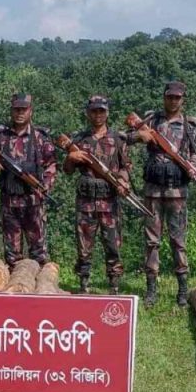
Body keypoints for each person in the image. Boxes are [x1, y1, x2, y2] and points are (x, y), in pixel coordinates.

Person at [129, 81, 196, 306]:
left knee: (178, 240)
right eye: (170, 97)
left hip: (177, 191)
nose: (173, 101)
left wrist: (193, 165)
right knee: (152, 241)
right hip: (153, 190)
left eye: (177, 98)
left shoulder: (189, 125)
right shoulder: (151, 120)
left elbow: (195, 153)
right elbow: (126, 138)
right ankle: (151, 289)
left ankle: (182, 290)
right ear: (164, 97)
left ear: (183, 99)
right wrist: (141, 136)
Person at [62, 95, 131, 294]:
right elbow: (66, 170)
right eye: (94, 111)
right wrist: (71, 157)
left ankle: (114, 285)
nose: (98, 115)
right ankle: (83, 284)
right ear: (88, 113)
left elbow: (126, 166)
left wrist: (123, 181)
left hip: (109, 201)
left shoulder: (118, 139)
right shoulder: (78, 139)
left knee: (113, 244)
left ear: (107, 113)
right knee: (84, 246)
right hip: (86, 202)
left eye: (102, 111)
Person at [0, 93, 56, 266]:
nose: (20, 113)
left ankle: (40, 288)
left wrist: (45, 185)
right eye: (16, 109)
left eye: (23, 109)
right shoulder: (1, 137)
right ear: (11, 111)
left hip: (34, 202)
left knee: (39, 253)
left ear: (30, 111)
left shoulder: (40, 137)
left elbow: (52, 165)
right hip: (9, 203)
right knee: (12, 256)